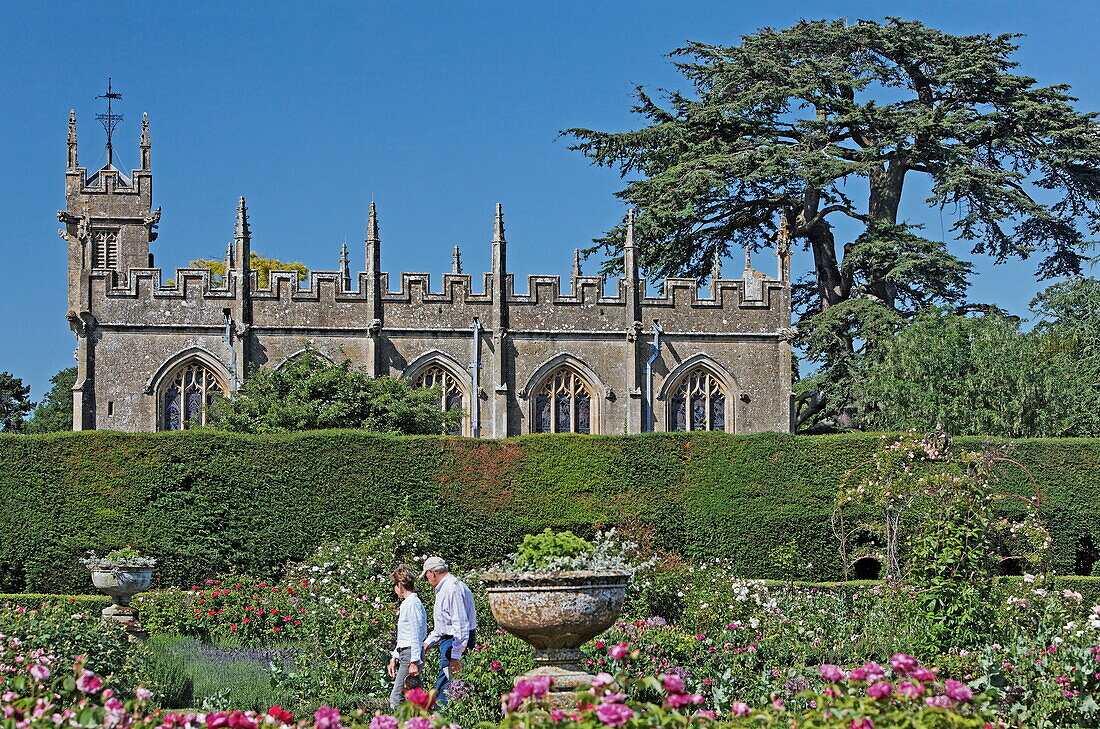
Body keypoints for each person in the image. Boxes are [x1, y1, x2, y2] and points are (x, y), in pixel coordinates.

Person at [421, 556, 477, 707]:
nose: (427, 580)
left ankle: (442, 720)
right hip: (452, 639)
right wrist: (427, 643)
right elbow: (444, 625)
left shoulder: (452, 588)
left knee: (448, 686)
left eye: (426, 575)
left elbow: (460, 625)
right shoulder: (447, 586)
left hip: (456, 641)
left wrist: (456, 655)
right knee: (452, 684)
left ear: (432, 572)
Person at [387, 566, 427, 710]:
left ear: (400, 585)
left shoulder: (412, 604)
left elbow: (416, 634)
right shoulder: (408, 604)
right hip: (406, 653)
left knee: (397, 698)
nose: (394, 589)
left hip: (411, 655)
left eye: (394, 585)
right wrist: (394, 659)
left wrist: (414, 661)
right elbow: (404, 636)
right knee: (412, 699)